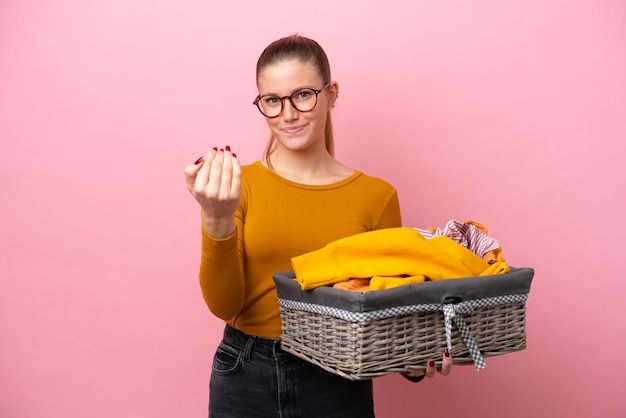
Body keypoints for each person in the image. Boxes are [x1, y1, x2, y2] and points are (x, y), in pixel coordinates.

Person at [184, 34, 452, 418]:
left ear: (332, 94)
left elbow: (384, 309)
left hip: (337, 378)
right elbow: (224, 305)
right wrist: (216, 217)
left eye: (303, 95)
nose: (288, 114)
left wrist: (409, 361)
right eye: (272, 101)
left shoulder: (376, 197)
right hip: (245, 370)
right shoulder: (234, 187)